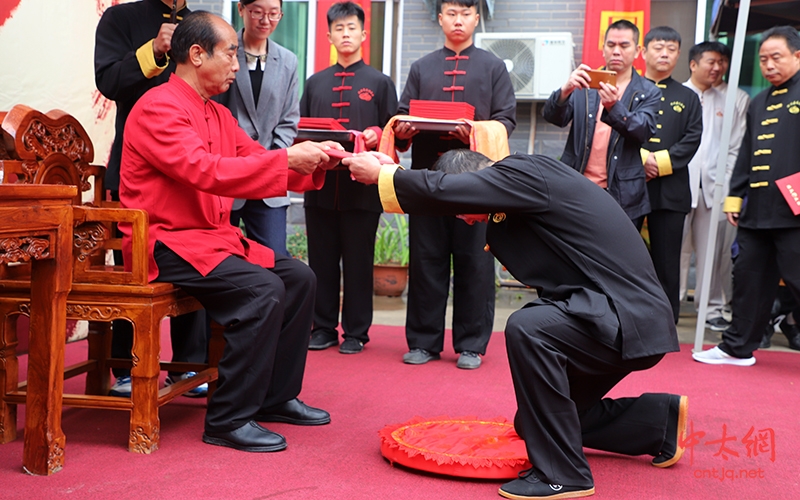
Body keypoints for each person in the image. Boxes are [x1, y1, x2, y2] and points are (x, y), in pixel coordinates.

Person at [344, 149, 685, 500]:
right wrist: (393, 169)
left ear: (477, 181)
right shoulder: (517, 200)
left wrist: (385, 175)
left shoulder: (526, 170)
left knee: (529, 327)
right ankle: (658, 421)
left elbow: (445, 189)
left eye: (461, 207)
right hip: (615, 319)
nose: (465, 220)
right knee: (533, 422)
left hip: (626, 319)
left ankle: (563, 475)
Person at [119, 10, 339, 451]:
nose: (237, 65)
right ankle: (227, 418)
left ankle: (276, 397)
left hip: (210, 240)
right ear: (197, 54)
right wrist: (286, 160)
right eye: (231, 54)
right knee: (262, 289)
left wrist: (319, 161)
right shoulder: (158, 106)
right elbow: (204, 171)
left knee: (299, 278)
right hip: (166, 242)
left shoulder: (218, 115)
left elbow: (256, 160)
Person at [391, 0, 516, 369]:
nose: (458, 20)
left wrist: (475, 131)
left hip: (478, 180)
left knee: (475, 261)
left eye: (465, 14)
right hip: (427, 179)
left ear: (476, 18)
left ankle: (471, 344)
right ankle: (423, 342)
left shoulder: (493, 67)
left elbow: (506, 120)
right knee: (426, 259)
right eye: (451, 13)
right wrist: (403, 128)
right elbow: (401, 117)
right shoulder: (421, 66)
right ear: (440, 18)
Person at [95, 0, 208, 398]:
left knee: (195, 253)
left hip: (190, 164)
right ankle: (127, 365)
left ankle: (188, 363)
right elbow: (109, 82)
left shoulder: (202, 24)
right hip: (135, 168)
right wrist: (155, 51)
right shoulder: (121, 18)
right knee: (134, 263)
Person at [693, 26, 800, 367]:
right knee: (748, 278)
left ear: (798, 55)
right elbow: (746, 154)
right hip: (758, 210)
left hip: (795, 211)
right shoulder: (759, 101)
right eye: (763, 59)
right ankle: (737, 347)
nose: (768, 65)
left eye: (776, 57)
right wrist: (734, 197)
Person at [300, 1, 398, 354]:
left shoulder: (380, 82)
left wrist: (376, 133)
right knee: (321, 261)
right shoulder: (315, 83)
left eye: (351, 28)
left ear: (363, 34)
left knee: (359, 263)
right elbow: (301, 130)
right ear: (328, 35)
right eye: (338, 29)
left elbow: (395, 132)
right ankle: (323, 328)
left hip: (363, 189)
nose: (345, 34)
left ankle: (356, 332)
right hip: (320, 186)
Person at [543, 19, 661, 227]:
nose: (616, 51)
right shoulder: (585, 83)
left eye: (624, 45)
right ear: (603, 48)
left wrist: (614, 107)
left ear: (637, 51)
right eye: (611, 45)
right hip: (577, 185)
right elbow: (553, 117)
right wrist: (565, 91)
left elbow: (644, 131)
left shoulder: (648, 91)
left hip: (623, 193)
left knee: (618, 247)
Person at [217, 0, 297, 257]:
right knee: (223, 256)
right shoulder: (223, 53)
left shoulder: (288, 61)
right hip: (228, 174)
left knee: (275, 257)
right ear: (241, 9)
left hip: (269, 179)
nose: (265, 20)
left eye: (273, 14)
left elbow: (289, 120)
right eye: (257, 12)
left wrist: (271, 159)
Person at [680, 41, 749, 332]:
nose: (717, 67)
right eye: (711, 61)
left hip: (716, 187)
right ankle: (670, 303)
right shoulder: (679, 94)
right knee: (676, 250)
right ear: (693, 64)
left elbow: (735, 147)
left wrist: (727, 183)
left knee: (714, 251)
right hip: (679, 185)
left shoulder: (732, 99)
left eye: (722, 62)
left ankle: (712, 308)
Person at [640, 27, 703, 324]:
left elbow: (692, 138)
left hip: (671, 190)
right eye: (658, 47)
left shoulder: (688, 97)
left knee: (667, 260)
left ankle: (665, 322)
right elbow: (615, 129)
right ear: (644, 52)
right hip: (632, 185)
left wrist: (659, 163)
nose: (664, 54)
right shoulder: (630, 89)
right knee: (626, 254)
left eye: (671, 49)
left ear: (679, 55)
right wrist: (642, 160)